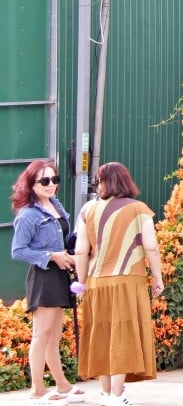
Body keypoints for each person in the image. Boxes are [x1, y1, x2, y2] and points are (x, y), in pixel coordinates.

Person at [73, 162, 164, 406]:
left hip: (96, 282)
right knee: (122, 334)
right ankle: (117, 394)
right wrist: (158, 277)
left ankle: (105, 393)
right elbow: (151, 246)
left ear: (104, 182)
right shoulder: (138, 209)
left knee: (101, 333)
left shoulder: (87, 210)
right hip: (127, 280)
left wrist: (80, 283)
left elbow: (81, 251)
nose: (97, 184)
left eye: (99, 180)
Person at [9, 159, 87, 404]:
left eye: (55, 179)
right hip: (44, 276)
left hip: (60, 274)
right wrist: (51, 256)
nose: (51, 184)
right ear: (31, 184)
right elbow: (18, 250)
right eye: (45, 180)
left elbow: (66, 237)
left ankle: (62, 384)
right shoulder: (28, 215)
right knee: (41, 334)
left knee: (54, 335)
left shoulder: (54, 204)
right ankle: (37, 389)